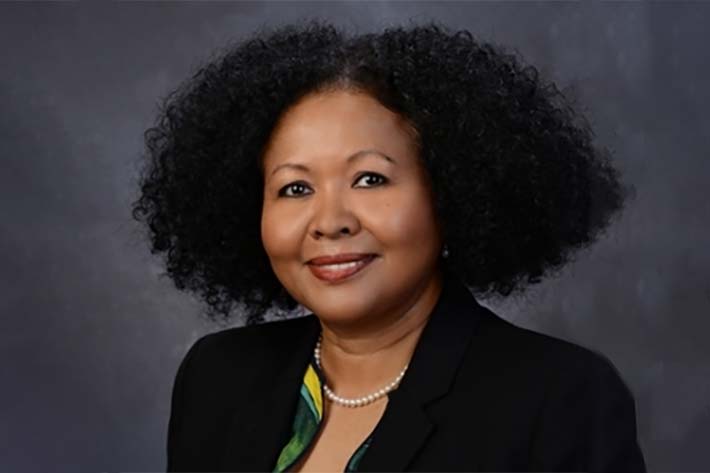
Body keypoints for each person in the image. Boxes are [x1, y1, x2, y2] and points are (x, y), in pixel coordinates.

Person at [132, 19, 647, 472]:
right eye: (295, 188)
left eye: (370, 179)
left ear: (449, 190)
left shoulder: (558, 398)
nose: (330, 222)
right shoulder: (219, 379)